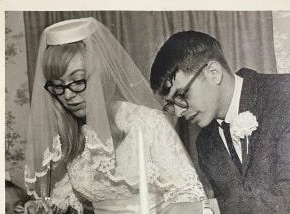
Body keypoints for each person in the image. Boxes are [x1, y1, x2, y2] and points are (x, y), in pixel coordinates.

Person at [23, 18, 214, 214]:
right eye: (58, 85)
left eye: (78, 81)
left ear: (101, 76)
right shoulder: (66, 134)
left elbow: (190, 196)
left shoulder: (146, 122)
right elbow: (68, 199)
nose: (68, 95)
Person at [150, 31, 290, 214]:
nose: (178, 112)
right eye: (170, 104)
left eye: (181, 95)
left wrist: (206, 208)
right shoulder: (205, 145)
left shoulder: (289, 94)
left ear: (213, 73)